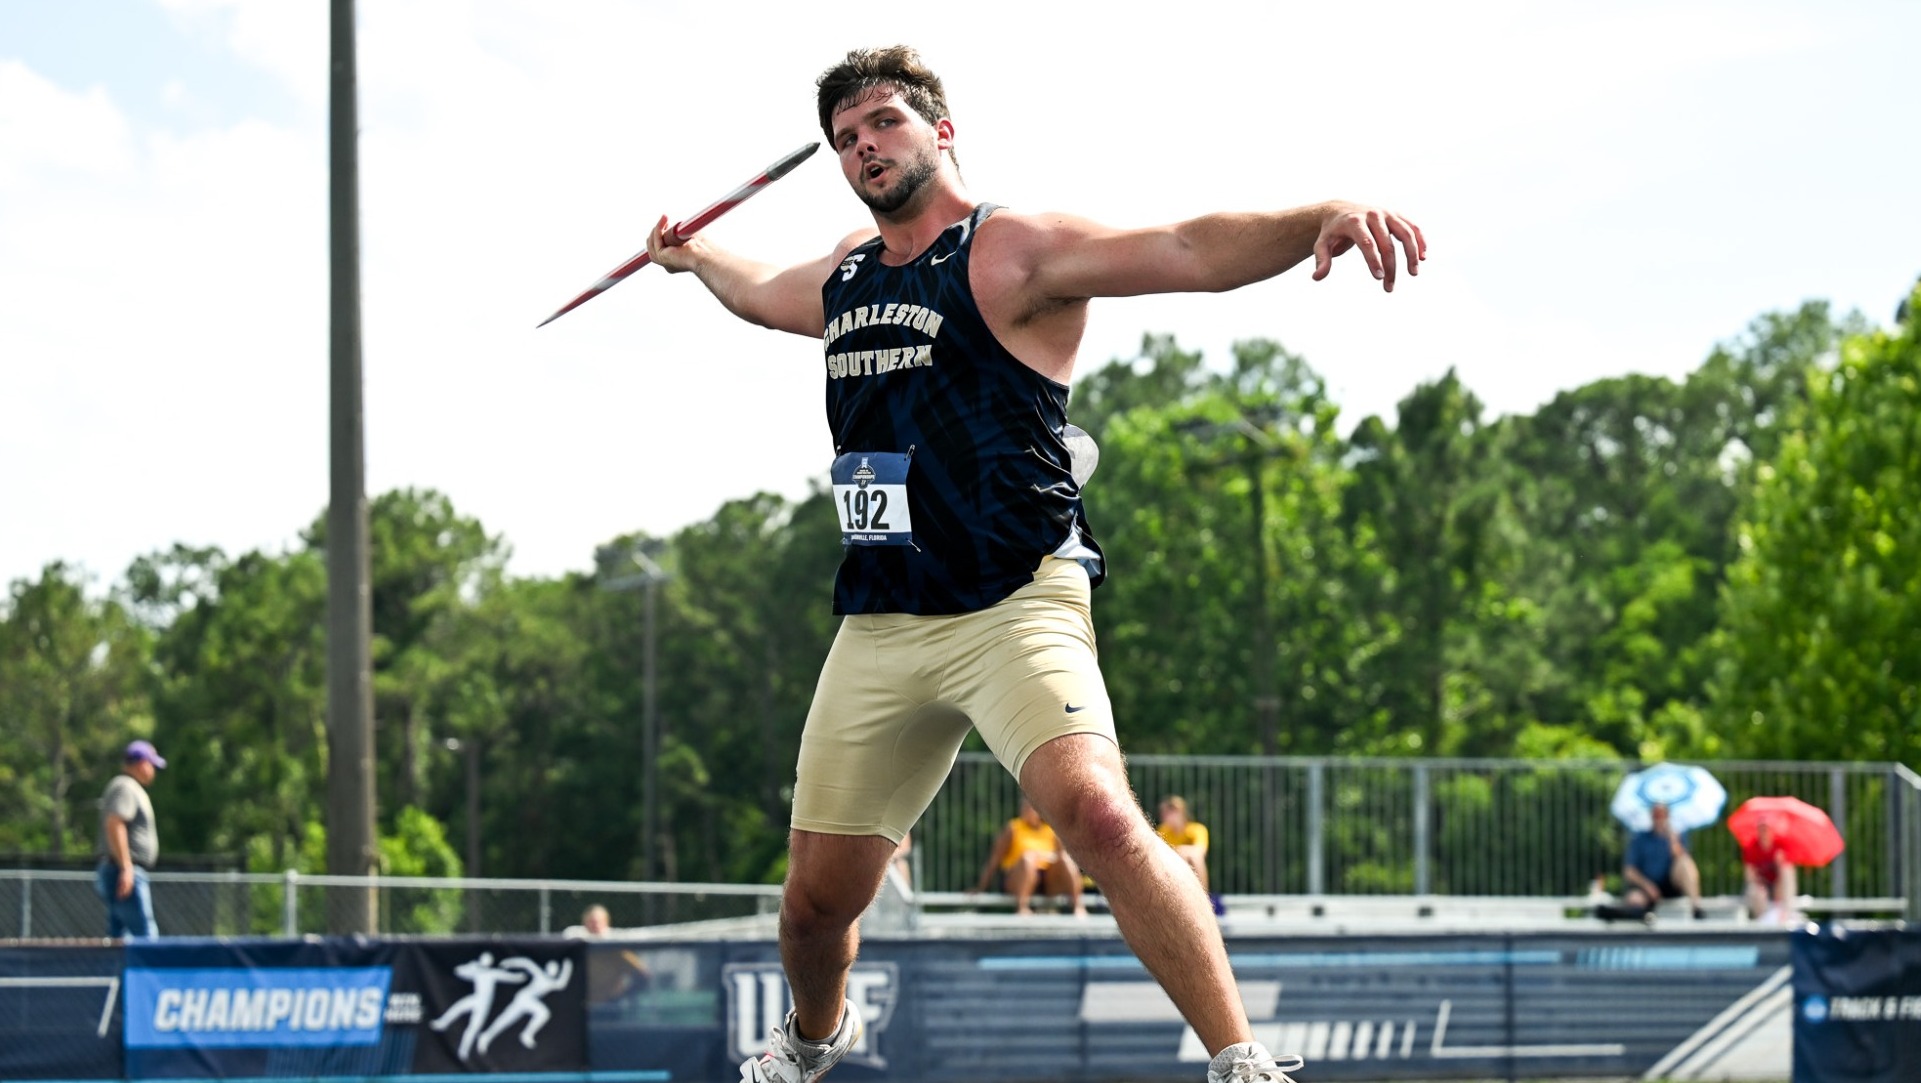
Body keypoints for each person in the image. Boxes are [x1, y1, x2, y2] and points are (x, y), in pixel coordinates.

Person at [643, 45, 1420, 1083]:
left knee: (1096, 810)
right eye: (843, 140)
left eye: (881, 123)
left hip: (1015, 599)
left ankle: (1240, 1060)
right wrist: (695, 261)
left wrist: (1318, 212)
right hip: (882, 617)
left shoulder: (1011, 251)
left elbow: (1187, 247)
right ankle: (815, 1036)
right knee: (815, 905)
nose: (862, 148)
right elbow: (761, 293)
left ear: (939, 130)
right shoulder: (847, 276)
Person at [95, 739, 166, 938]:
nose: (153, 770)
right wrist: (126, 867)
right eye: (152, 764)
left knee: (120, 937)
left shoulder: (130, 787)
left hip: (122, 869)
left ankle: (118, 971)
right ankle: (151, 971)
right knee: (145, 935)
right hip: (123, 870)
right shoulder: (125, 786)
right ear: (142, 762)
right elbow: (115, 823)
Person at [972, 797, 1086, 917]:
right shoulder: (1013, 828)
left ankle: (1078, 906)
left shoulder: (1051, 831)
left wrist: (1044, 857)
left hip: (1046, 881)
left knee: (1065, 859)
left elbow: (1062, 858)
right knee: (1028, 858)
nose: (1025, 810)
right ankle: (1022, 908)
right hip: (1017, 877)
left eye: (1029, 807)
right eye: (1023, 807)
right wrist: (980, 887)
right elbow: (994, 860)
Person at [1622, 803, 1706, 920]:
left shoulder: (1678, 836)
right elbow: (1629, 871)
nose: (1659, 818)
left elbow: (1682, 860)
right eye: (1656, 815)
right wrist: (1647, 886)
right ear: (1651, 816)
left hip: (1671, 885)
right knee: (1634, 899)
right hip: (1647, 887)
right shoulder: (1640, 838)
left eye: (1662, 815)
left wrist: (1673, 840)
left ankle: (1696, 907)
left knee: (1685, 863)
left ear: (1667, 816)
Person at [1741, 819, 1798, 925]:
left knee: (1787, 871)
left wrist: (1779, 864)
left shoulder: (1780, 846)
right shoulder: (1751, 848)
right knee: (1754, 891)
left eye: (1766, 830)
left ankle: (1787, 913)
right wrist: (1759, 884)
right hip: (1761, 886)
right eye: (1761, 830)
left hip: (1778, 886)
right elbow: (1749, 876)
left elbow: (1787, 874)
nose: (1764, 833)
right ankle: (1764, 921)